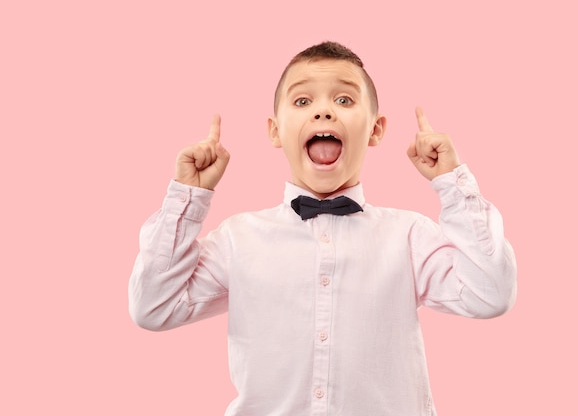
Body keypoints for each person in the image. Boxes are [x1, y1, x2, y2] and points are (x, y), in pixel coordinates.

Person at [129, 41, 517, 416]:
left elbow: (491, 294)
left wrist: (452, 182)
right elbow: (153, 306)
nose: (323, 112)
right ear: (275, 131)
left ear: (376, 130)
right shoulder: (238, 239)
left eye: (344, 100)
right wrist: (189, 196)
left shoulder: (409, 236)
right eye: (302, 101)